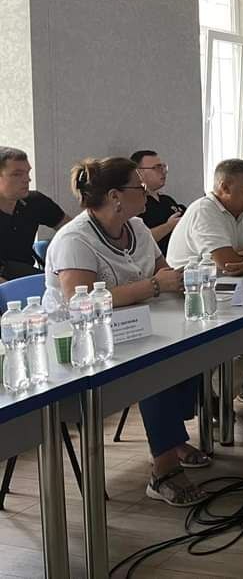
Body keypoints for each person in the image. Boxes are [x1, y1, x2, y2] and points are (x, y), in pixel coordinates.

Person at [44, 157, 205, 506]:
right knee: (154, 364)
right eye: (139, 187)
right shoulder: (74, 239)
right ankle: (163, 471)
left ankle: (172, 438)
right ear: (115, 196)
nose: (146, 192)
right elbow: (80, 302)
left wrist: (180, 280)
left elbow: (163, 272)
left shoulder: (138, 228)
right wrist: (153, 286)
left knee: (191, 344)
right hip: (81, 342)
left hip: (136, 325)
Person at [166, 159, 243, 405]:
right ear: (225, 187)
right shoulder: (205, 210)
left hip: (235, 293)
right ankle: (214, 395)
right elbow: (229, 264)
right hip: (191, 301)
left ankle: (221, 388)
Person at [0, 146, 69, 282]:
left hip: (27, 276)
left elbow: (74, 231)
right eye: (17, 174)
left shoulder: (35, 201)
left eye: (27, 172)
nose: (27, 179)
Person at [132, 150, 185, 257]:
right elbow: (138, 241)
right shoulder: (135, 204)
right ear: (139, 172)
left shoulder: (167, 200)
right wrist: (168, 226)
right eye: (156, 168)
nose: (163, 172)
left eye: (163, 167)